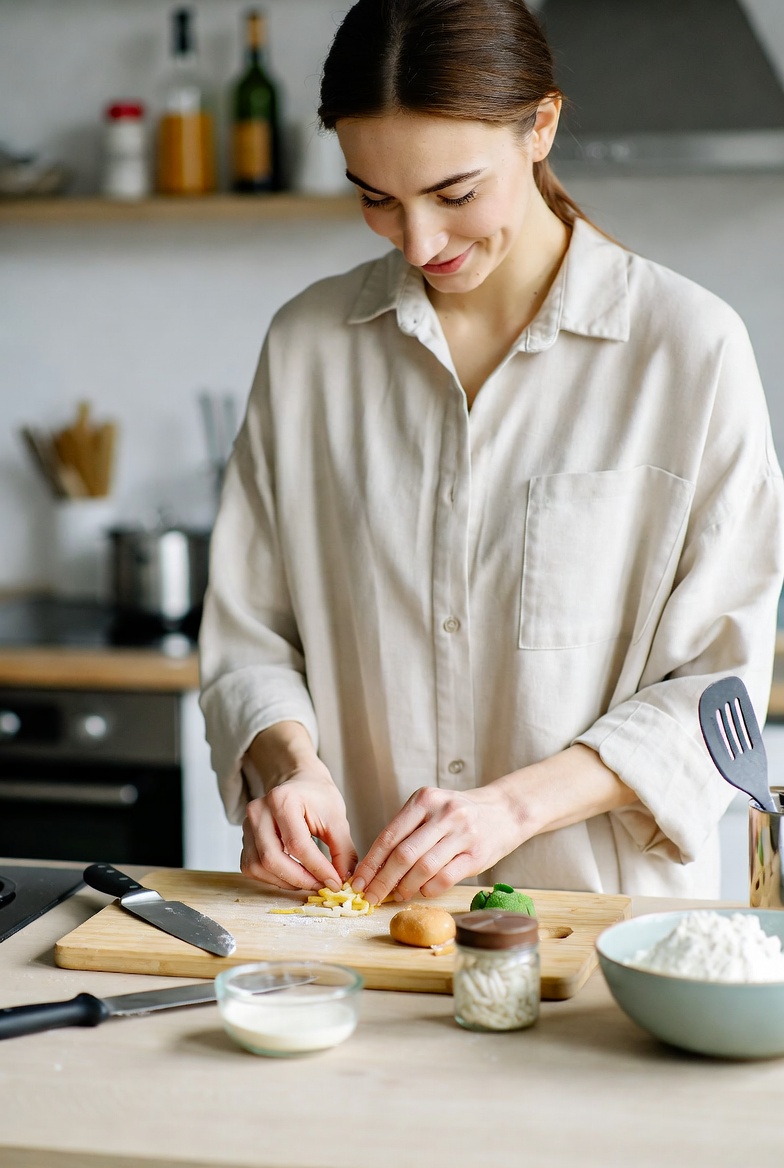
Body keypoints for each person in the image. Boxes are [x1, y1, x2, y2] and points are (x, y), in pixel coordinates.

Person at [199, 0, 784, 903]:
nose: (421, 242)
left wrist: (509, 811)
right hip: (366, 932)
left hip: (602, 942)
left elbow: (719, 694)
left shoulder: (689, 351)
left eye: (456, 193)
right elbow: (250, 638)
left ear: (541, 126)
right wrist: (288, 767)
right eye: (376, 198)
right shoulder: (308, 346)